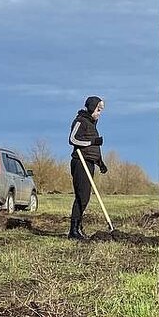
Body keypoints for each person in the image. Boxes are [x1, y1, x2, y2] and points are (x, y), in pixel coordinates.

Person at [68, 96, 107, 240]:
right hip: (80, 162)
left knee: (85, 197)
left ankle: (79, 227)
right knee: (82, 196)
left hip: (89, 162)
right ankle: (73, 230)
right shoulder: (80, 121)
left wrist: (100, 162)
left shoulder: (92, 124)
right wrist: (93, 141)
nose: (99, 113)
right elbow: (72, 139)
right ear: (91, 107)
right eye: (98, 109)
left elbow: (93, 150)